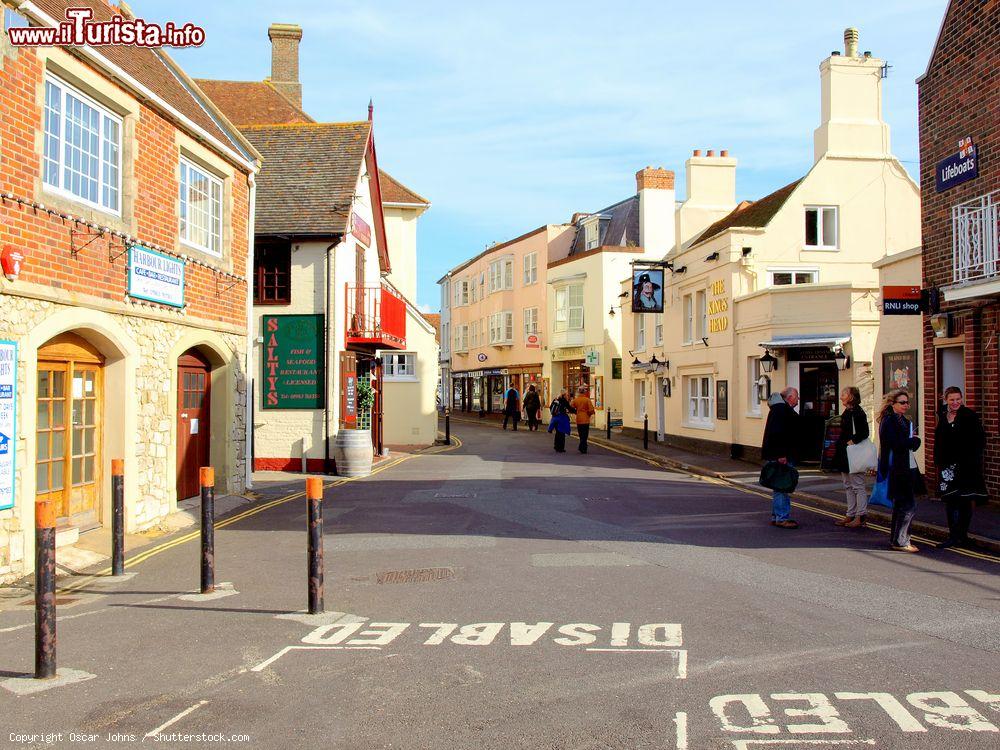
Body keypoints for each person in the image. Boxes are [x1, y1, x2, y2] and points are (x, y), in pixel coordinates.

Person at [934, 386, 988, 549]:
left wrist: (971, 457)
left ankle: (962, 536)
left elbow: (980, 440)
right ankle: (953, 536)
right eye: (952, 399)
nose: (955, 402)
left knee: (965, 501)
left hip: (967, 465)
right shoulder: (943, 417)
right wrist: (939, 461)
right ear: (946, 400)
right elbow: (938, 440)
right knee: (951, 500)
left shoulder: (969, 416)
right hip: (948, 467)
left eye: (958, 399)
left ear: (962, 399)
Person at [877, 388, 922, 552]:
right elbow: (894, 444)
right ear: (892, 404)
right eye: (902, 402)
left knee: (902, 503)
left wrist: (915, 442)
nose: (905, 405)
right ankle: (901, 541)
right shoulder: (889, 420)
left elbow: (908, 443)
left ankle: (898, 539)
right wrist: (912, 442)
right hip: (897, 467)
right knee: (907, 504)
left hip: (906, 465)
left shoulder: (904, 420)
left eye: (907, 402)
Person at [761, 387, 801, 529]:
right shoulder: (782, 410)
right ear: (789, 397)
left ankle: (776, 516)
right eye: (796, 396)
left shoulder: (778, 409)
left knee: (779, 486)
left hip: (778, 454)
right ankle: (782, 517)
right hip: (782, 455)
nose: (798, 399)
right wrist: (781, 455)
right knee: (782, 487)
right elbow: (778, 434)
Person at [831, 386, 871, 528]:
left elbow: (864, 432)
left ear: (851, 397)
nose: (841, 396)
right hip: (846, 453)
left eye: (844, 394)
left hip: (854, 453)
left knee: (857, 485)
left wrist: (852, 441)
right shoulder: (848, 411)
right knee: (848, 485)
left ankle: (861, 516)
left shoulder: (857, 412)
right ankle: (850, 514)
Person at [570, 387, 596, 454]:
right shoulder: (587, 400)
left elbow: (571, 407)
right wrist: (589, 414)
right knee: (585, 434)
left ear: (578, 392)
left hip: (579, 418)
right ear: (584, 392)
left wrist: (576, 412)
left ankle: (582, 447)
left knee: (581, 434)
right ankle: (583, 448)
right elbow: (591, 410)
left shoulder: (576, 400)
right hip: (586, 419)